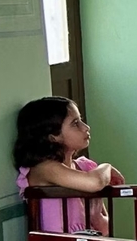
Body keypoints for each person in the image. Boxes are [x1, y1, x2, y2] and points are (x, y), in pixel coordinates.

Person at [15, 97, 121, 233]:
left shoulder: (85, 168)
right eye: (75, 123)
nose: (86, 127)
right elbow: (95, 181)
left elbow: (106, 230)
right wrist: (107, 167)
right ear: (53, 136)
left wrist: (97, 218)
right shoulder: (45, 168)